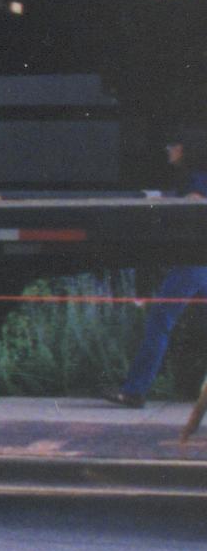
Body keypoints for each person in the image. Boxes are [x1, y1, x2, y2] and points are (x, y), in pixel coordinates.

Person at [110, 137, 206, 408]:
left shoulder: (197, 177)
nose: (168, 149)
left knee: (159, 322)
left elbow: (193, 203)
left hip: (192, 263)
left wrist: (159, 200)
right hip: (199, 263)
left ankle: (134, 391)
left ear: (187, 149)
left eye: (173, 144)